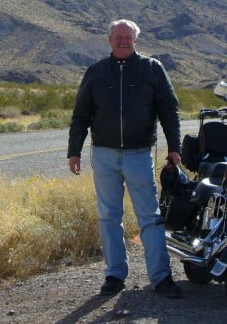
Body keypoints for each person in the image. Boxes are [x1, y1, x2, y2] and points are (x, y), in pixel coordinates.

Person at [67, 19, 182, 298]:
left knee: (150, 217)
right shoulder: (96, 72)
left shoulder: (151, 69)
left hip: (139, 154)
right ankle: (114, 275)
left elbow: (169, 109)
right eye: (118, 36)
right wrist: (74, 150)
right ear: (109, 40)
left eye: (128, 37)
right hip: (104, 154)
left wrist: (174, 148)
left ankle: (161, 276)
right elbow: (81, 114)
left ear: (135, 40)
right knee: (109, 217)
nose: (123, 41)